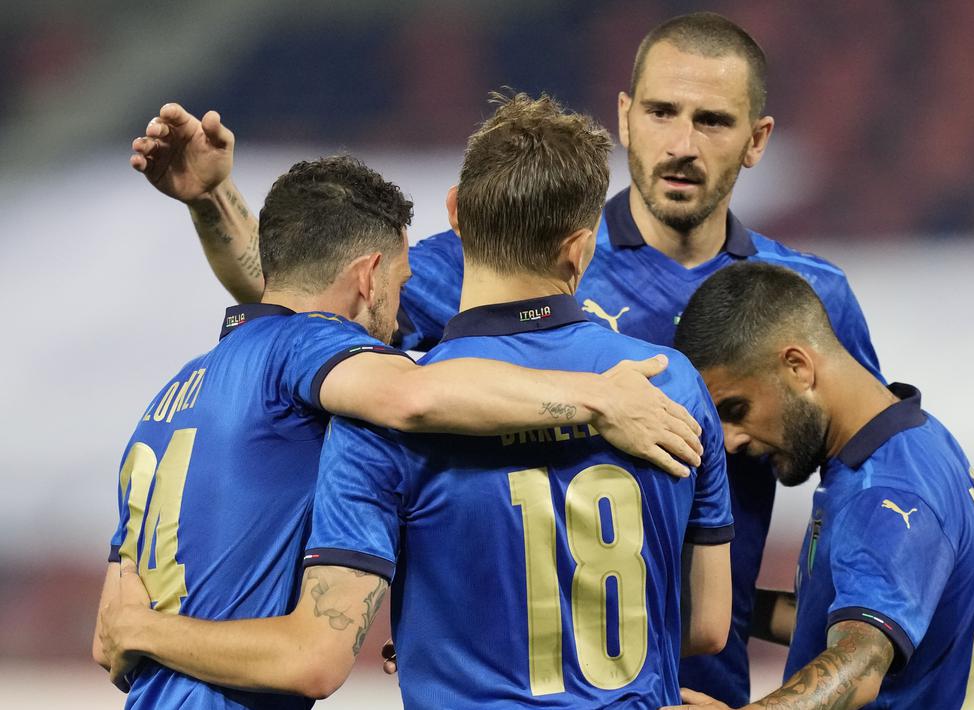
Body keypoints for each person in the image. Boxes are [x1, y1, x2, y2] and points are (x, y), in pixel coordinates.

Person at [127, 12, 974, 706]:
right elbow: (314, 295)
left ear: (756, 140)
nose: (681, 141)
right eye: (663, 112)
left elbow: (861, 444)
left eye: (712, 121)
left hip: (689, 683)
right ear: (625, 118)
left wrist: (971, 496)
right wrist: (216, 206)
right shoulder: (492, 261)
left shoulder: (806, 296)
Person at [101, 93, 734, 709]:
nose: (404, 309)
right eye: (400, 284)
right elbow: (706, 626)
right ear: (582, 246)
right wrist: (600, 399)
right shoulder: (669, 384)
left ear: (455, 213)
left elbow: (295, 297)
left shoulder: (180, 398)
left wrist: (443, 640)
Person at [667, 262, 974, 710]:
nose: (730, 440)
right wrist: (716, 605)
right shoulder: (903, 444)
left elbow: (861, 660)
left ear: (797, 366)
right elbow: (834, 619)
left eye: (736, 408)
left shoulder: (887, 493)